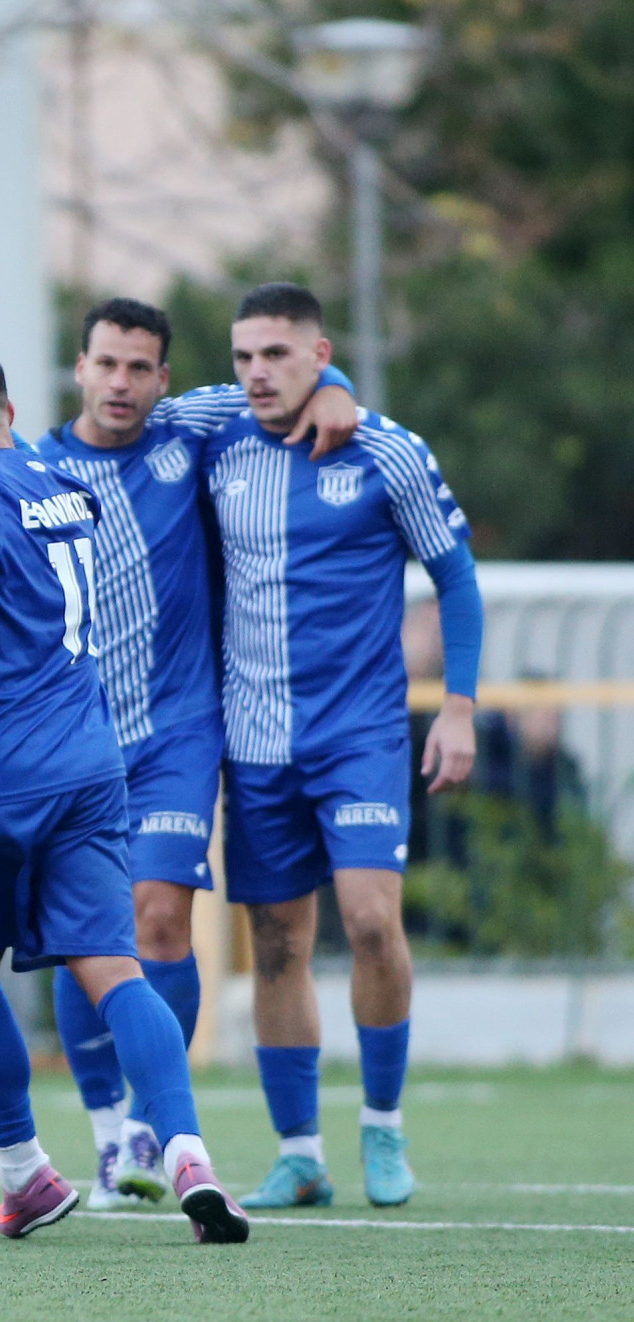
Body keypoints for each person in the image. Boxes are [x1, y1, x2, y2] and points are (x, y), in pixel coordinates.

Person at [0, 345, 248, 1244]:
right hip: (90, 764)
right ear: (10, 409)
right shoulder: (61, 485)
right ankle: (186, 1148)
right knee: (115, 968)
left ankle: (25, 1174)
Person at [36, 298, 357, 1209]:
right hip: (75, 736)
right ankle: (106, 1139)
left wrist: (334, 386)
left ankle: (146, 1121)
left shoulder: (192, 427)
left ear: (165, 379)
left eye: (141, 368)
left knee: (163, 921)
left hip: (179, 730)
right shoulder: (40, 469)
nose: (123, 383)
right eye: (108, 365)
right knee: (84, 937)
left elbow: (282, 377)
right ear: (80, 367)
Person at [204, 283, 481, 1209]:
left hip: (359, 730)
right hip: (254, 738)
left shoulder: (386, 450)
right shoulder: (218, 444)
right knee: (277, 941)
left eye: (276, 354)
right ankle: (300, 1152)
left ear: (320, 355)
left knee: (370, 921)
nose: (256, 373)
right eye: (243, 356)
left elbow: (457, 579)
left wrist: (459, 707)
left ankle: (385, 1130)